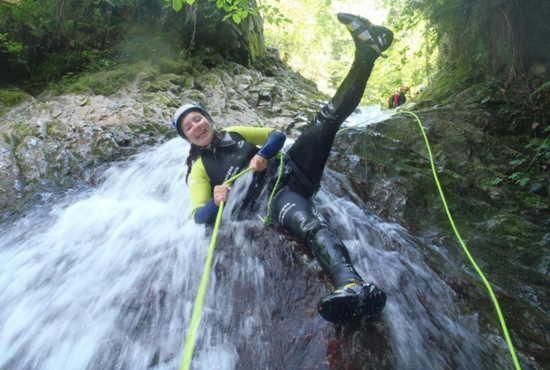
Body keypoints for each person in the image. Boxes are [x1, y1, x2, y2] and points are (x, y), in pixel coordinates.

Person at [172, 13, 393, 324]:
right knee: (307, 224)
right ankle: (351, 283)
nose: (196, 126)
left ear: (207, 118)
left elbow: (277, 136)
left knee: (326, 121)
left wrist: (262, 154)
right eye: (188, 126)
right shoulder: (199, 169)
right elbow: (199, 217)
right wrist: (216, 199)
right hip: (277, 198)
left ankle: (367, 52)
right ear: (186, 137)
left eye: (198, 118)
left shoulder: (233, 132)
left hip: (293, 166)